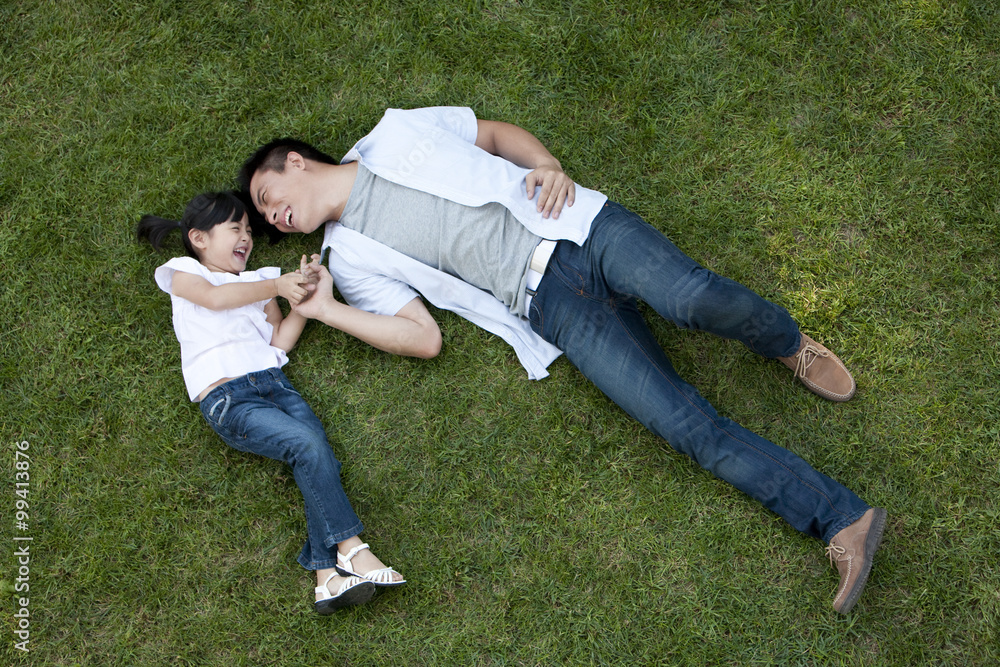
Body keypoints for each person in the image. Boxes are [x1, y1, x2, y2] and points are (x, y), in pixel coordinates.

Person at [237, 106, 885, 613]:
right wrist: (323, 310)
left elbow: (489, 132)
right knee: (686, 428)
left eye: (270, 196)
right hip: (551, 308)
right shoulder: (347, 259)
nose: (277, 215)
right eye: (270, 218)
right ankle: (841, 517)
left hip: (579, 225)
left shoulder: (393, 131)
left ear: (296, 161)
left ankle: (788, 343)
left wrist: (546, 163)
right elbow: (420, 336)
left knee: (694, 299)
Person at [136, 191, 405, 615]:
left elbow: (279, 341)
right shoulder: (185, 272)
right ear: (199, 238)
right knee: (309, 447)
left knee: (317, 458)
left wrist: (306, 299)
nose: (246, 237)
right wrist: (278, 285)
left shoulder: (258, 283)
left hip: (275, 385)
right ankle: (353, 549)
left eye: (248, 230)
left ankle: (325, 577)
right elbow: (216, 299)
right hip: (229, 398)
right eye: (235, 229)